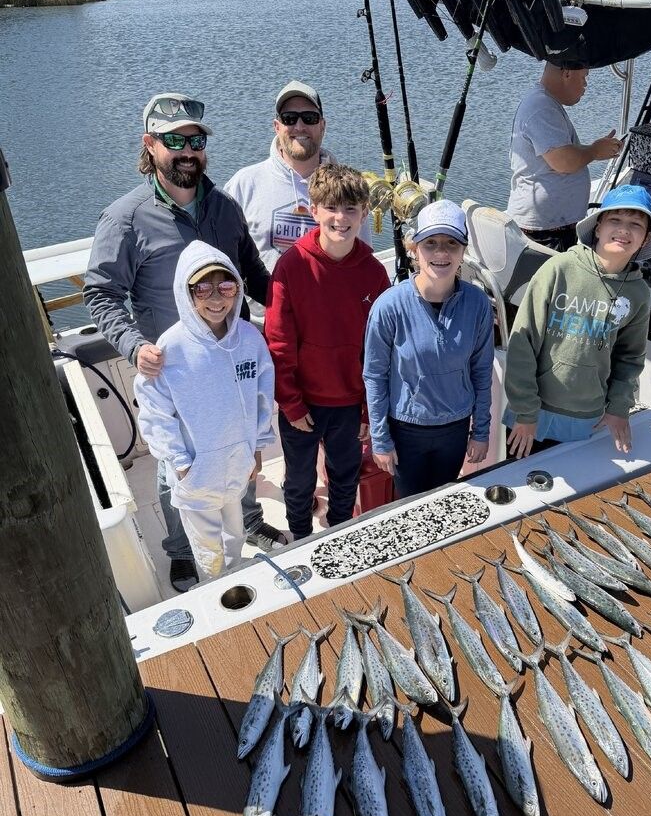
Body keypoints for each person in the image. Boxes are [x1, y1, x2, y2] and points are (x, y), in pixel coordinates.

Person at [83, 92, 282, 593]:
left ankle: (249, 518)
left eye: (196, 140)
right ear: (150, 146)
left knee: (236, 445)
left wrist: (305, 302)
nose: (188, 150)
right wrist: (133, 347)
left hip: (229, 357)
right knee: (179, 466)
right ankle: (181, 552)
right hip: (169, 372)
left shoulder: (225, 208)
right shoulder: (124, 218)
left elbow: (256, 277)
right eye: (175, 141)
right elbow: (100, 292)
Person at [134, 242, 276, 582]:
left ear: (238, 290)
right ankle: (218, 585)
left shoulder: (249, 339)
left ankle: (236, 573)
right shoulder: (169, 348)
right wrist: (180, 463)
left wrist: (256, 448)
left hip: (237, 463)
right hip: (196, 470)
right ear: (187, 292)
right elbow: (155, 412)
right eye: (202, 288)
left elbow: (262, 397)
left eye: (226, 286)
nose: (216, 298)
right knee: (207, 546)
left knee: (235, 531)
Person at [264, 164, 389, 540]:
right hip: (303, 403)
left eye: (351, 209)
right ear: (313, 210)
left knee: (345, 473)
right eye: (331, 208)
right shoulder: (291, 266)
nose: (341, 218)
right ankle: (300, 536)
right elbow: (279, 344)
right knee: (299, 479)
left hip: (350, 403)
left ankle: (341, 530)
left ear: (365, 214)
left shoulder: (373, 272)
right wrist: (291, 404)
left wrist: (369, 408)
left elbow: (380, 351)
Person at [504, 184, 651, 458]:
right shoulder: (559, 269)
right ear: (598, 227)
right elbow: (523, 343)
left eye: (635, 224)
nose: (624, 230)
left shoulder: (638, 293)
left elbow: (630, 358)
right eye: (615, 220)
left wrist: (618, 408)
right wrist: (525, 411)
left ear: (646, 238)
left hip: (589, 418)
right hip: (534, 414)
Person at [364, 200, 494, 498]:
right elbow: (375, 376)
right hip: (406, 431)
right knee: (410, 508)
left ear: (463, 251)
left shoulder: (477, 304)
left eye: (451, 243)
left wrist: (481, 431)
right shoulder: (389, 306)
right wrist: (381, 439)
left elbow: (482, 370)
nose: (441, 253)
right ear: (415, 249)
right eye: (431, 243)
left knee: (446, 499)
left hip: (456, 429)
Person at [224, 80, 372, 275]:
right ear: (277, 126)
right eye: (289, 118)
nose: (299, 126)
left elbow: (362, 260)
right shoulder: (243, 184)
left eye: (309, 118)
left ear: (323, 125)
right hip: (264, 304)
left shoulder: (347, 188)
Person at [506, 62, 623, 250]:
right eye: (584, 77)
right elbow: (564, 161)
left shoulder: (544, 103)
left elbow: (559, 154)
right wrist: (594, 151)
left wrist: (598, 149)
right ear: (567, 73)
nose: (586, 84)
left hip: (550, 227)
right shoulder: (541, 107)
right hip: (545, 231)